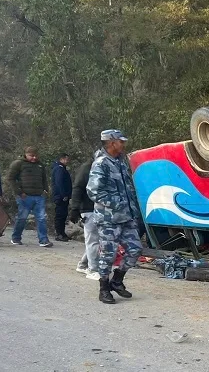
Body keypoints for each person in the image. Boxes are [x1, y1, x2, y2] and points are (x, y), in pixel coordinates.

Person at [87, 130, 143, 304]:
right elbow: (93, 191)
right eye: (121, 141)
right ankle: (104, 289)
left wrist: (133, 210)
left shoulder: (120, 162)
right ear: (112, 143)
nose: (123, 144)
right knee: (108, 255)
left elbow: (129, 188)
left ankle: (117, 280)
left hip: (126, 217)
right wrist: (118, 203)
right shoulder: (101, 163)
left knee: (135, 249)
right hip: (108, 219)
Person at [8, 146, 52, 247]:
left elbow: (44, 178)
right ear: (26, 154)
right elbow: (11, 179)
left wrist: (46, 190)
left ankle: (43, 240)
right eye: (31, 156)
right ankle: (16, 238)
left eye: (36, 155)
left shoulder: (40, 165)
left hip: (39, 196)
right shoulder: (18, 164)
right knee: (22, 218)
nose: (34, 158)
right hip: (24, 196)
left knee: (41, 218)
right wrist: (19, 192)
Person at [71, 156, 99, 280]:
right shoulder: (86, 169)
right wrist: (75, 208)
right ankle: (93, 270)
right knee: (93, 240)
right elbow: (77, 188)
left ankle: (83, 264)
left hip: (99, 208)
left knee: (96, 240)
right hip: (88, 209)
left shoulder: (102, 168)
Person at [52, 153, 73, 242]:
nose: (68, 161)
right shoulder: (59, 169)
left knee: (63, 215)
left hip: (63, 196)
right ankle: (59, 234)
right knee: (60, 215)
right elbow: (59, 183)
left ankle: (62, 233)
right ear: (62, 159)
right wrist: (63, 195)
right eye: (66, 159)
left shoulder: (62, 169)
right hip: (60, 197)